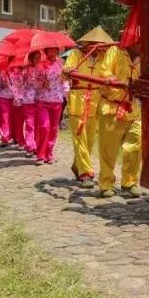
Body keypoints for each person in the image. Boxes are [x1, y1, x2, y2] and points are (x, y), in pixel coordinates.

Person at [63, 27, 114, 188]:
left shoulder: (105, 58)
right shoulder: (76, 55)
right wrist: (69, 70)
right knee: (80, 137)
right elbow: (64, 72)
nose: (99, 47)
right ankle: (86, 172)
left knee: (90, 140)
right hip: (78, 101)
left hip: (96, 102)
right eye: (96, 44)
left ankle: (77, 166)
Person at [96, 41, 143, 198]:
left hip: (132, 108)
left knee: (135, 146)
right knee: (108, 150)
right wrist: (116, 81)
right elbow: (105, 72)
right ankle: (106, 183)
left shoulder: (143, 57)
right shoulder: (114, 51)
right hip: (112, 107)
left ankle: (129, 182)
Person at [33, 47, 67, 164]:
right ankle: (40, 154)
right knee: (44, 127)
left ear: (57, 52)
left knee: (53, 129)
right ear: (46, 52)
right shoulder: (40, 66)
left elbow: (65, 82)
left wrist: (66, 93)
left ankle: (49, 154)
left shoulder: (61, 65)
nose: (52, 53)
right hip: (43, 101)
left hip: (57, 101)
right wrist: (42, 83)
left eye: (55, 51)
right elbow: (34, 82)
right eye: (50, 51)